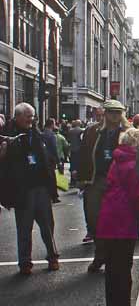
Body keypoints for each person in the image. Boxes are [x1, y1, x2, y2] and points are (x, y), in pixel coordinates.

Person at [95, 127, 139, 306]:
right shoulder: (134, 164)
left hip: (109, 217)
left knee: (112, 267)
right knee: (123, 267)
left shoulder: (119, 159)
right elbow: (137, 196)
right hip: (123, 219)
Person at [0, 102, 60, 274]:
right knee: (24, 228)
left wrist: (52, 187)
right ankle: (25, 263)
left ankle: (53, 256)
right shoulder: (7, 136)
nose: (31, 120)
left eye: (32, 116)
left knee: (47, 226)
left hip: (41, 187)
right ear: (17, 116)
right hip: (22, 189)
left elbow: (47, 159)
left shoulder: (37, 134)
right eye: (28, 116)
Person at [78, 100, 129, 270]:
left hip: (119, 183)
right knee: (94, 220)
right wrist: (81, 177)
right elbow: (83, 154)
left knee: (116, 221)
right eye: (111, 112)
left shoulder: (128, 133)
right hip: (96, 180)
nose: (115, 116)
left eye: (118, 112)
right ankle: (100, 255)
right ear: (105, 113)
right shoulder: (92, 131)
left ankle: (114, 258)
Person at [67, 120, 84, 185]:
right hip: (79, 151)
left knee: (72, 165)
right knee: (78, 166)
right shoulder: (82, 131)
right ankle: (78, 180)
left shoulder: (70, 131)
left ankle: (72, 180)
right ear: (80, 124)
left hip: (72, 150)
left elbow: (68, 140)